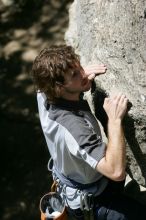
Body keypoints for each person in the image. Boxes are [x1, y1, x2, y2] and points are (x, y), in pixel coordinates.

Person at [32, 45, 146, 220]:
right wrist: (114, 120)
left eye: (79, 67)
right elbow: (116, 171)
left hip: (82, 179)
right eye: (75, 74)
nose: (84, 74)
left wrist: (77, 79)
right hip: (93, 199)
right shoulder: (74, 128)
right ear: (58, 88)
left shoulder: (44, 92)